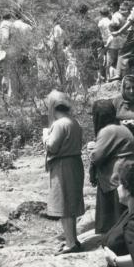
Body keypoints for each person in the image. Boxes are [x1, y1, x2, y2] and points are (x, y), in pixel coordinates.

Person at [43, 90, 85, 254]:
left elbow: (52, 146)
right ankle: (73, 239)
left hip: (63, 165)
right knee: (71, 204)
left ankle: (70, 243)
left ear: (53, 108)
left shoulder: (60, 124)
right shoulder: (74, 121)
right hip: (74, 163)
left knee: (64, 206)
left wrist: (45, 137)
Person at [90, 99, 134, 235]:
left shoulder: (108, 131)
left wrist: (91, 150)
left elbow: (97, 157)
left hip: (115, 178)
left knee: (116, 220)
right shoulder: (121, 127)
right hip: (125, 174)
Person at [97, 8, 114, 80]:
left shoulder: (100, 22)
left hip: (104, 42)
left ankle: (105, 77)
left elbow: (99, 34)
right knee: (109, 60)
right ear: (108, 13)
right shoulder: (110, 21)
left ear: (101, 14)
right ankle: (109, 77)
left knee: (103, 60)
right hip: (111, 40)